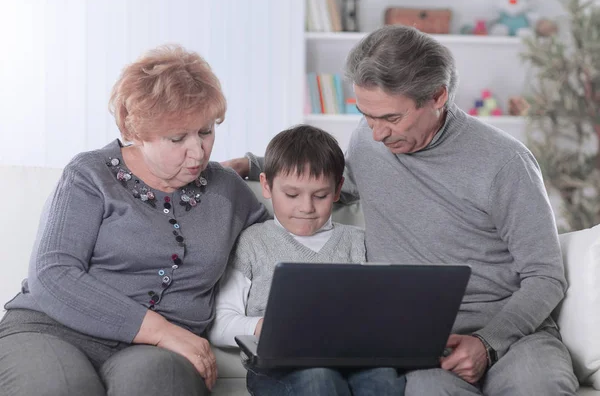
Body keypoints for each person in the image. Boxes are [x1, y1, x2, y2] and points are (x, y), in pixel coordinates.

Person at [222, 25, 578, 395]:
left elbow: (546, 275)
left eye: (391, 119)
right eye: (367, 115)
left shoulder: (505, 163)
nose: (377, 133)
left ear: (437, 96)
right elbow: (330, 183)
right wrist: (254, 165)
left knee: (541, 386)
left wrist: (489, 342)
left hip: (512, 330)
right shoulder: (370, 141)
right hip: (419, 340)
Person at [0, 44, 269, 396]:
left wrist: (259, 164)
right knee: (61, 388)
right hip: (51, 330)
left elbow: (299, 206)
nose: (198, 151)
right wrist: (160, 329)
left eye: (205, 132)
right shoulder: (90, 175)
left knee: (158, 385)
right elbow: (53, 273)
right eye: (177, 138)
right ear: (138, 133)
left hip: (155, 355)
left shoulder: (228, 191)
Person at [209, 125, 406, 396]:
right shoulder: (252, 242)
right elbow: (220, 323)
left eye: (320, 195)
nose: (306, 207)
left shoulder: (359, 242)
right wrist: (262, 326)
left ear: (337, 191)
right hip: (276, 368)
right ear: (266, 185)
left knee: (383, 378)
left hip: (353, 361)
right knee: (318, 379)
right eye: (292, 195)